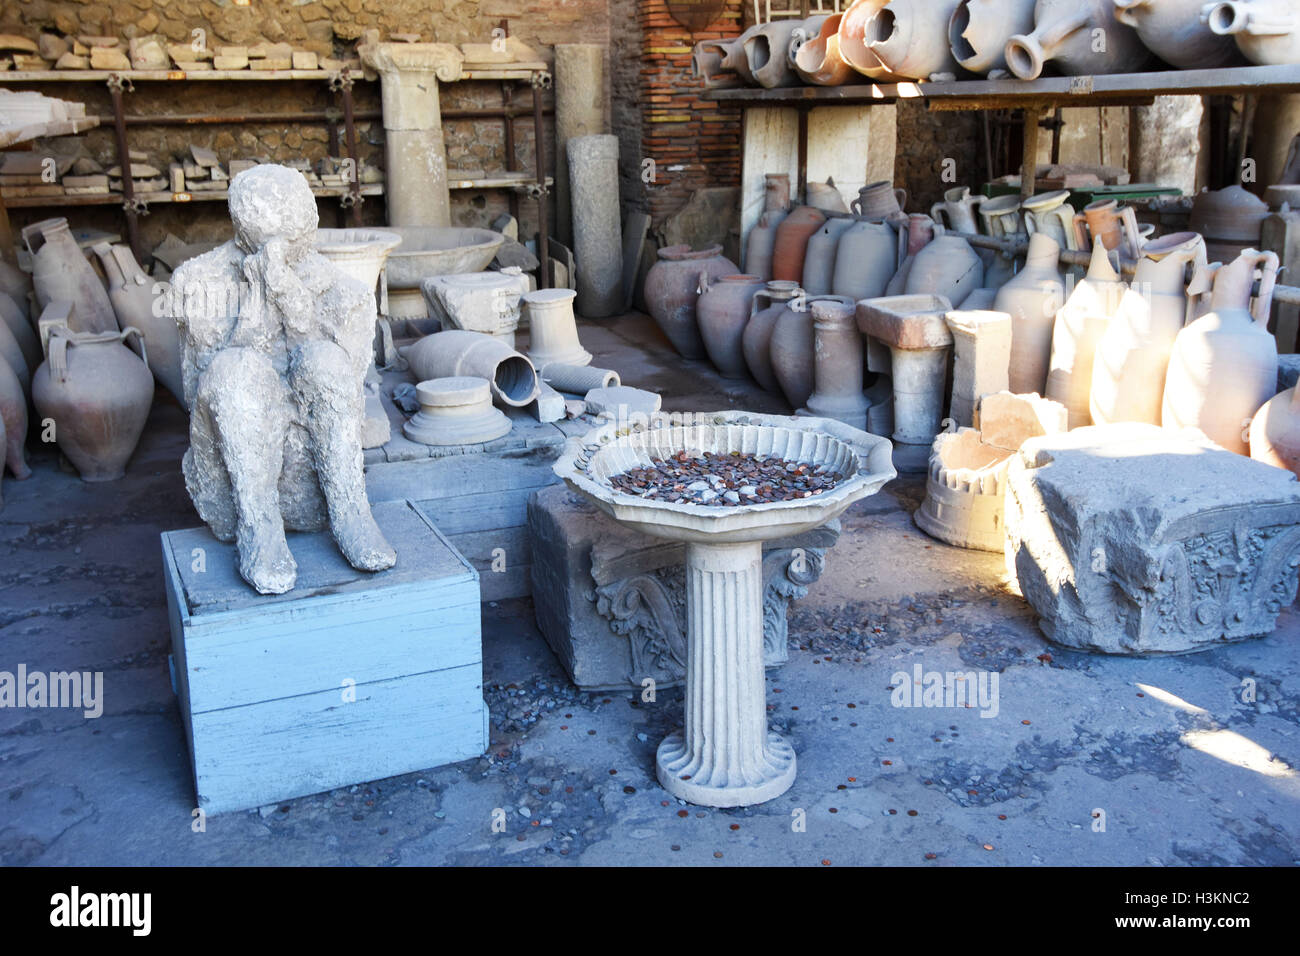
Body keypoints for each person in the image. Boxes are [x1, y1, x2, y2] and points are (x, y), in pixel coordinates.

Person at [172, 164, 395, 594]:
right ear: (242, 232)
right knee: (236, 369)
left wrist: (292, 302)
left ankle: (351, 513)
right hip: (237, 449)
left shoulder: (343, 290)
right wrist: (256, 307)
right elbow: (202, 390)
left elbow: (347, 387)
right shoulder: (199, 281)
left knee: (324, 360)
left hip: (307, 465)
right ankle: (260, 528)